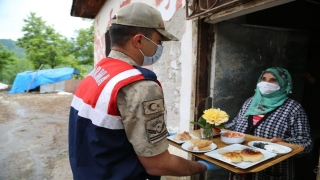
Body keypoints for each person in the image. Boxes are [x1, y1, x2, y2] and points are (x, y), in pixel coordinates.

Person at [68, 2, 217, 180]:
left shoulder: (97, 73)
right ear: (139, 40)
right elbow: (158, 164)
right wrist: (202, 166)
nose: (160, 47)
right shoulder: (140, 85)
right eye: (159, 41)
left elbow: (106, 131)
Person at [225, 67, 313, 180]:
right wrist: (219, 128)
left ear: (283, 83)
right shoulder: (250, 102)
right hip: (241, 166)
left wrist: (286, 142)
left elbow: (306, 143)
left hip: (271, 170)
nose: (266, 83)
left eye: (273, 80)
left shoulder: (293, 108)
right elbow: (236, 125)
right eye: (264, 79)